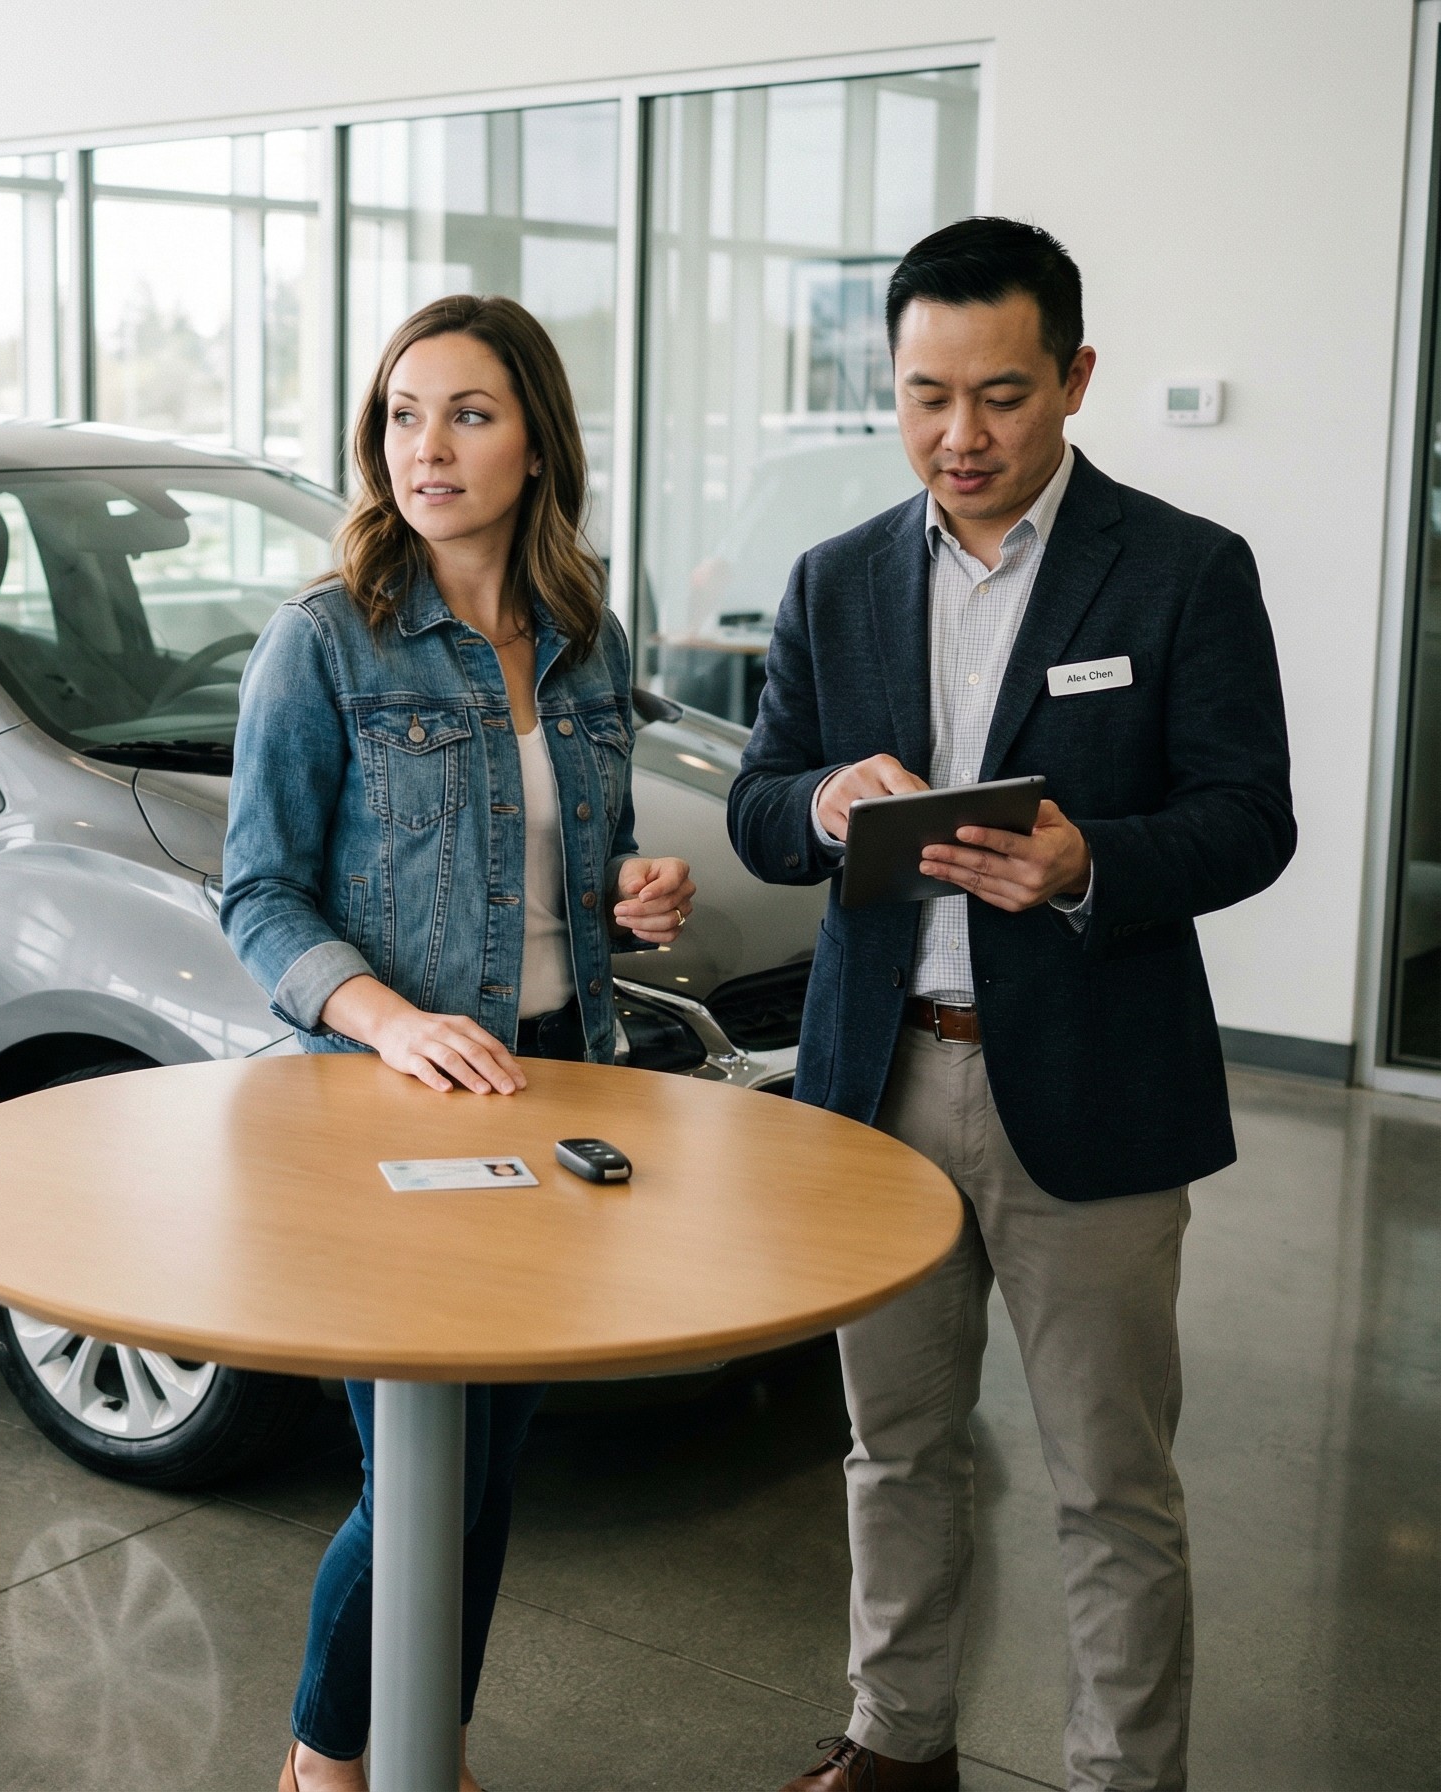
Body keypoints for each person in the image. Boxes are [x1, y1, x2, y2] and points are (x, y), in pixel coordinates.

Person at [729, 217, 1294, 1792]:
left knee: (1111, 1483)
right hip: (878, 1086)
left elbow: (1253, 818)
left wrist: (1084, 865)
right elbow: (760, 805)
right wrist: (830, 800)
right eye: (924, 397)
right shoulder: (835, 580)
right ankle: (897, 1743)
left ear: (1076, 382)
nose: (959, 437)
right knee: (893, 1451)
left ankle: (1125, 1777)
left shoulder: (1183, 568)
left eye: (1001, 396)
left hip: (1094, 1088)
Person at [222, 292, 695, 1792]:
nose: (427, 446)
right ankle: (328, 1760)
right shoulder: (328, 642)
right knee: (417, 1471)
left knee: (487, 1474)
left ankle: (429, 1742)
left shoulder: (586, 636)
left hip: (560, 1094)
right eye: (404, 414)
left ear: (537, 440)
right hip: (390, 1118)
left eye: (470, 412)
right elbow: (260, 898)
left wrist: (634, 893)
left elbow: (567, 881)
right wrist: (390, 1023)